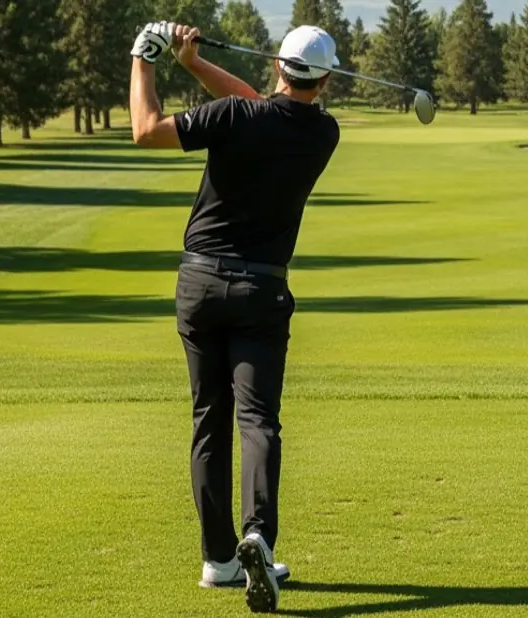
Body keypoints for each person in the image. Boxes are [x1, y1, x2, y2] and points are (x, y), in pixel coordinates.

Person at [128, 20, 341, 613]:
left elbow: (145, 130)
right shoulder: (324, 132)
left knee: (208, 419)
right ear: (324, 79)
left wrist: (146, 57)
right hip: (262, 293)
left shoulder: (231, 119)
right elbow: (260, 105)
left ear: (277, 64)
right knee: (258, 421)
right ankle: (258, 537)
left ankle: (219, 560)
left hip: (198, 284)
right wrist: (193, 63)